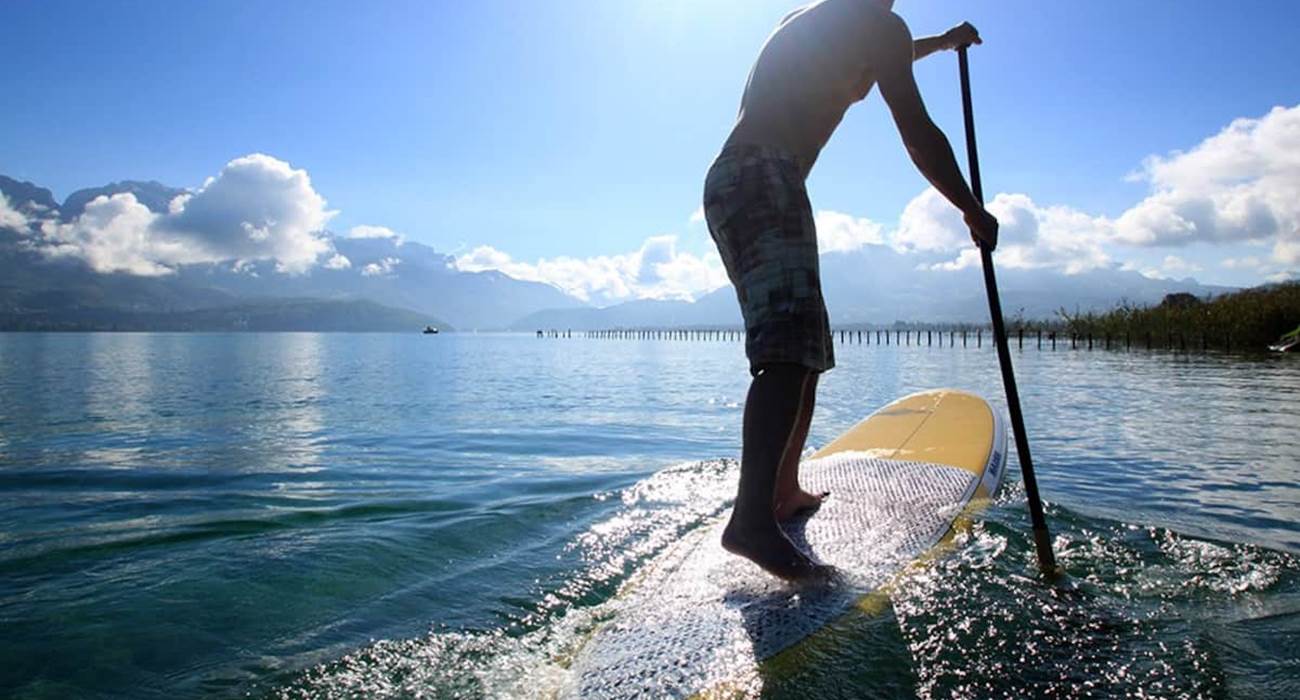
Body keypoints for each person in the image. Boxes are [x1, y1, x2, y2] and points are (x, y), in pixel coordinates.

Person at [703, 0, 999, 580]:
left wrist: (938, 43)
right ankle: (751, 522)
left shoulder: (817, 19)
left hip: (744, 180)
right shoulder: (877, 25)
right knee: (786, 352)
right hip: (762, 178)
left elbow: (868, 58)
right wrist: (970, 208)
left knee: (804, 347)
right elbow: (917, 132)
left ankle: (783, 492)